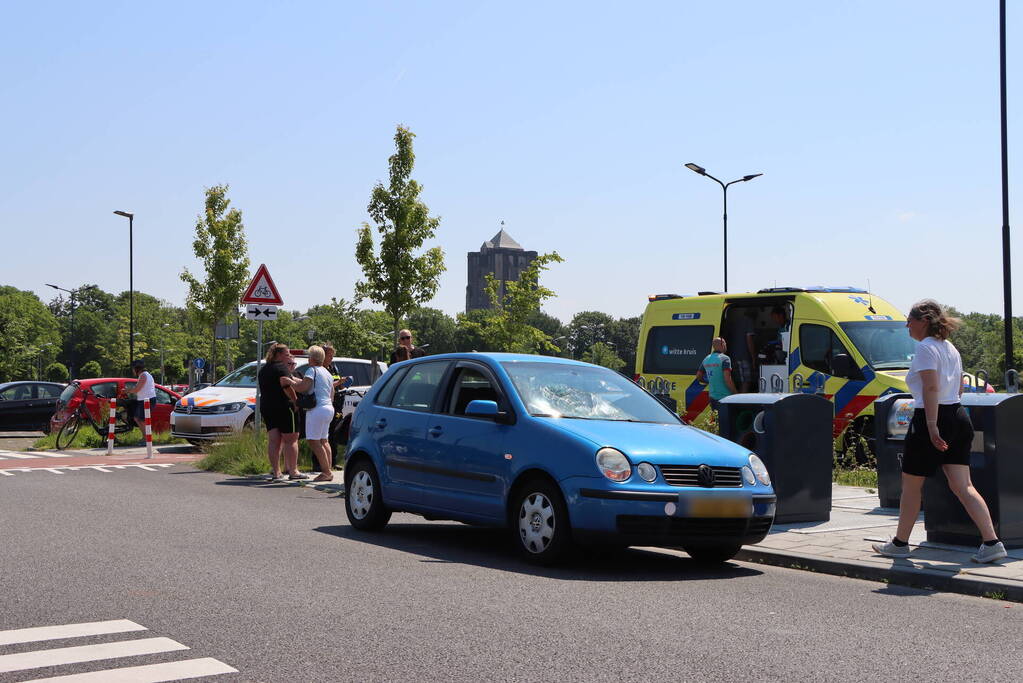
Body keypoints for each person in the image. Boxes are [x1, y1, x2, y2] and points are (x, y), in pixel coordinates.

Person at [872, 299, 1006, 563]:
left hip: (931, 418)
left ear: (923, 321)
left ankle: (900, 544)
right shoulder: (950, 348)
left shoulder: (925, 348)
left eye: (909, 320)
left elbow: (930, 389)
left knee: (911, 486)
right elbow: (958, 388)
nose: (907, 325)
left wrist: (932, 426)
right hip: (957, 415)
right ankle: (992, 542)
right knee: (963, 485)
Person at [258, 343, 306, 482]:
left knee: (274, 440)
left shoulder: (264, 369)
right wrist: (295, 400)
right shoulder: (281, 368)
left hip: (267, 407)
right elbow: (285, 384)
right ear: (278, 355)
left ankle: (276, 473)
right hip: (284, 407)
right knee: (291, 439)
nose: (288, 357)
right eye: (286, 354)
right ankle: (293, 471)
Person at [293, 345, 334, 482]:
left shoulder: (312, 370)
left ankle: (326, 472)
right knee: (324, 440)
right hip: (328, 407)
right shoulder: (327, 372)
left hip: (317, 409)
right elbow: (331, 392)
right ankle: (329, 469)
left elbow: (303, 387)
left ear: (312, 358)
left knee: (313, 441)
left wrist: (290, 382)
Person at [695, 338, 737, 412]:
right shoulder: (725, 358)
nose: (726, 346)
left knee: (716, 421)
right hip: (725, 398)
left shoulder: (706, 359)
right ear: (722, 344)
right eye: (725, 344)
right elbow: (727, 380)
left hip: (712, 398)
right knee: (726, 421)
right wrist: (736, 394)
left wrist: (708, 381)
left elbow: (698, 377)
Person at [124, 359, 157, 448]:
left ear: (137, 369)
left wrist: (127, 391)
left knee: (139, 419)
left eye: (133, 369)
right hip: (145, 400)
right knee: (139, 419)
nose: (133, 371)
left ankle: (146, 439)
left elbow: (137, 389)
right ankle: (146, 438)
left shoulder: (143, 375)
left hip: (147, 400)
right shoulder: (145, 375)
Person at [726, 311, 756, 393]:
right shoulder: (748, 321)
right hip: (743, 357)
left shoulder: (735, 322)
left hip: (733, 356)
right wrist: (753, 357)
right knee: (746, 382)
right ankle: (741, 403)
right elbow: (749, 339)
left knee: (738, 381)